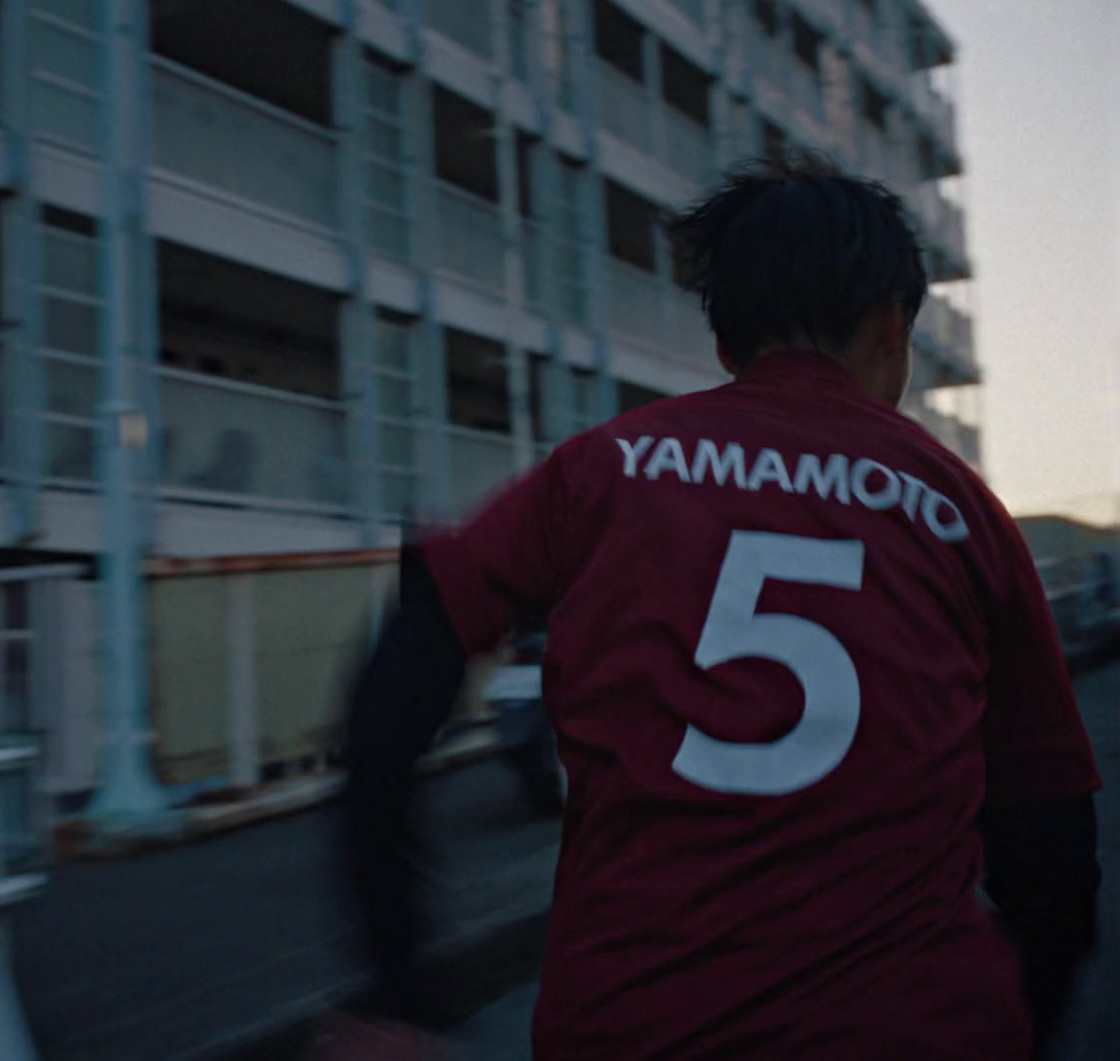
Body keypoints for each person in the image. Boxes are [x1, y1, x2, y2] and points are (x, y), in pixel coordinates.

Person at [337, 155, 1101, 1060]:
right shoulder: (961, 512)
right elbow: (1052, 855)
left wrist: (404, 997)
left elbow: (384, 722)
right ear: (894, 328)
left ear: (729, 347)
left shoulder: (602, 469)